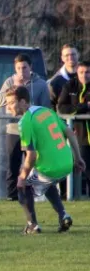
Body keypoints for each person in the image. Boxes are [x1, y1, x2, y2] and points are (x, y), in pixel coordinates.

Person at [5, 86, 85, 234]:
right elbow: (69, 133)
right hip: (67, 163)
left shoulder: (25, 122)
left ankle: (32, 225)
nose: (8, 107)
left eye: (11, 103)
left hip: (51, 168)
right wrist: (78, 158)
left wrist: (22, 176)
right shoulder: (46, 111)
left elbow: (31, 155)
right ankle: (64, 216)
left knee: (23, 185)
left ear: (23, 102)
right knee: (45, 182)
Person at [0, 53, 51, 201]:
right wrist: (14, 89)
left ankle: (32, 193)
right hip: (14, 128)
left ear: (30, 67)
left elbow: (45, 107)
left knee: (33, 161)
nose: (21, 71)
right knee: (12, 162)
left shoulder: (40, 84)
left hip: (33, 129)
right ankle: (12, 194)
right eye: (18, 68)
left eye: (24, 68)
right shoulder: (9, 82)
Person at [47, 44, 78, 198]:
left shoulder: (84, 75)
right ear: (62, 58)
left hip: (83, 128)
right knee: (66, 160)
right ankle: (66, 194)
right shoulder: (56, 82)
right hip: (63, 128)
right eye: (67, 55)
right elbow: (53, 106)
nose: (70, 58)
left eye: (73, 54)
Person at [57, 60, 90, 197]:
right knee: (81, 167)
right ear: (77, 72)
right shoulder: (70, 86)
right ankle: (67, 196)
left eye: (88, 72)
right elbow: (62, 108)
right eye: (81, 72)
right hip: (79, 135)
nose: (84, 75)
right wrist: (85, 107)